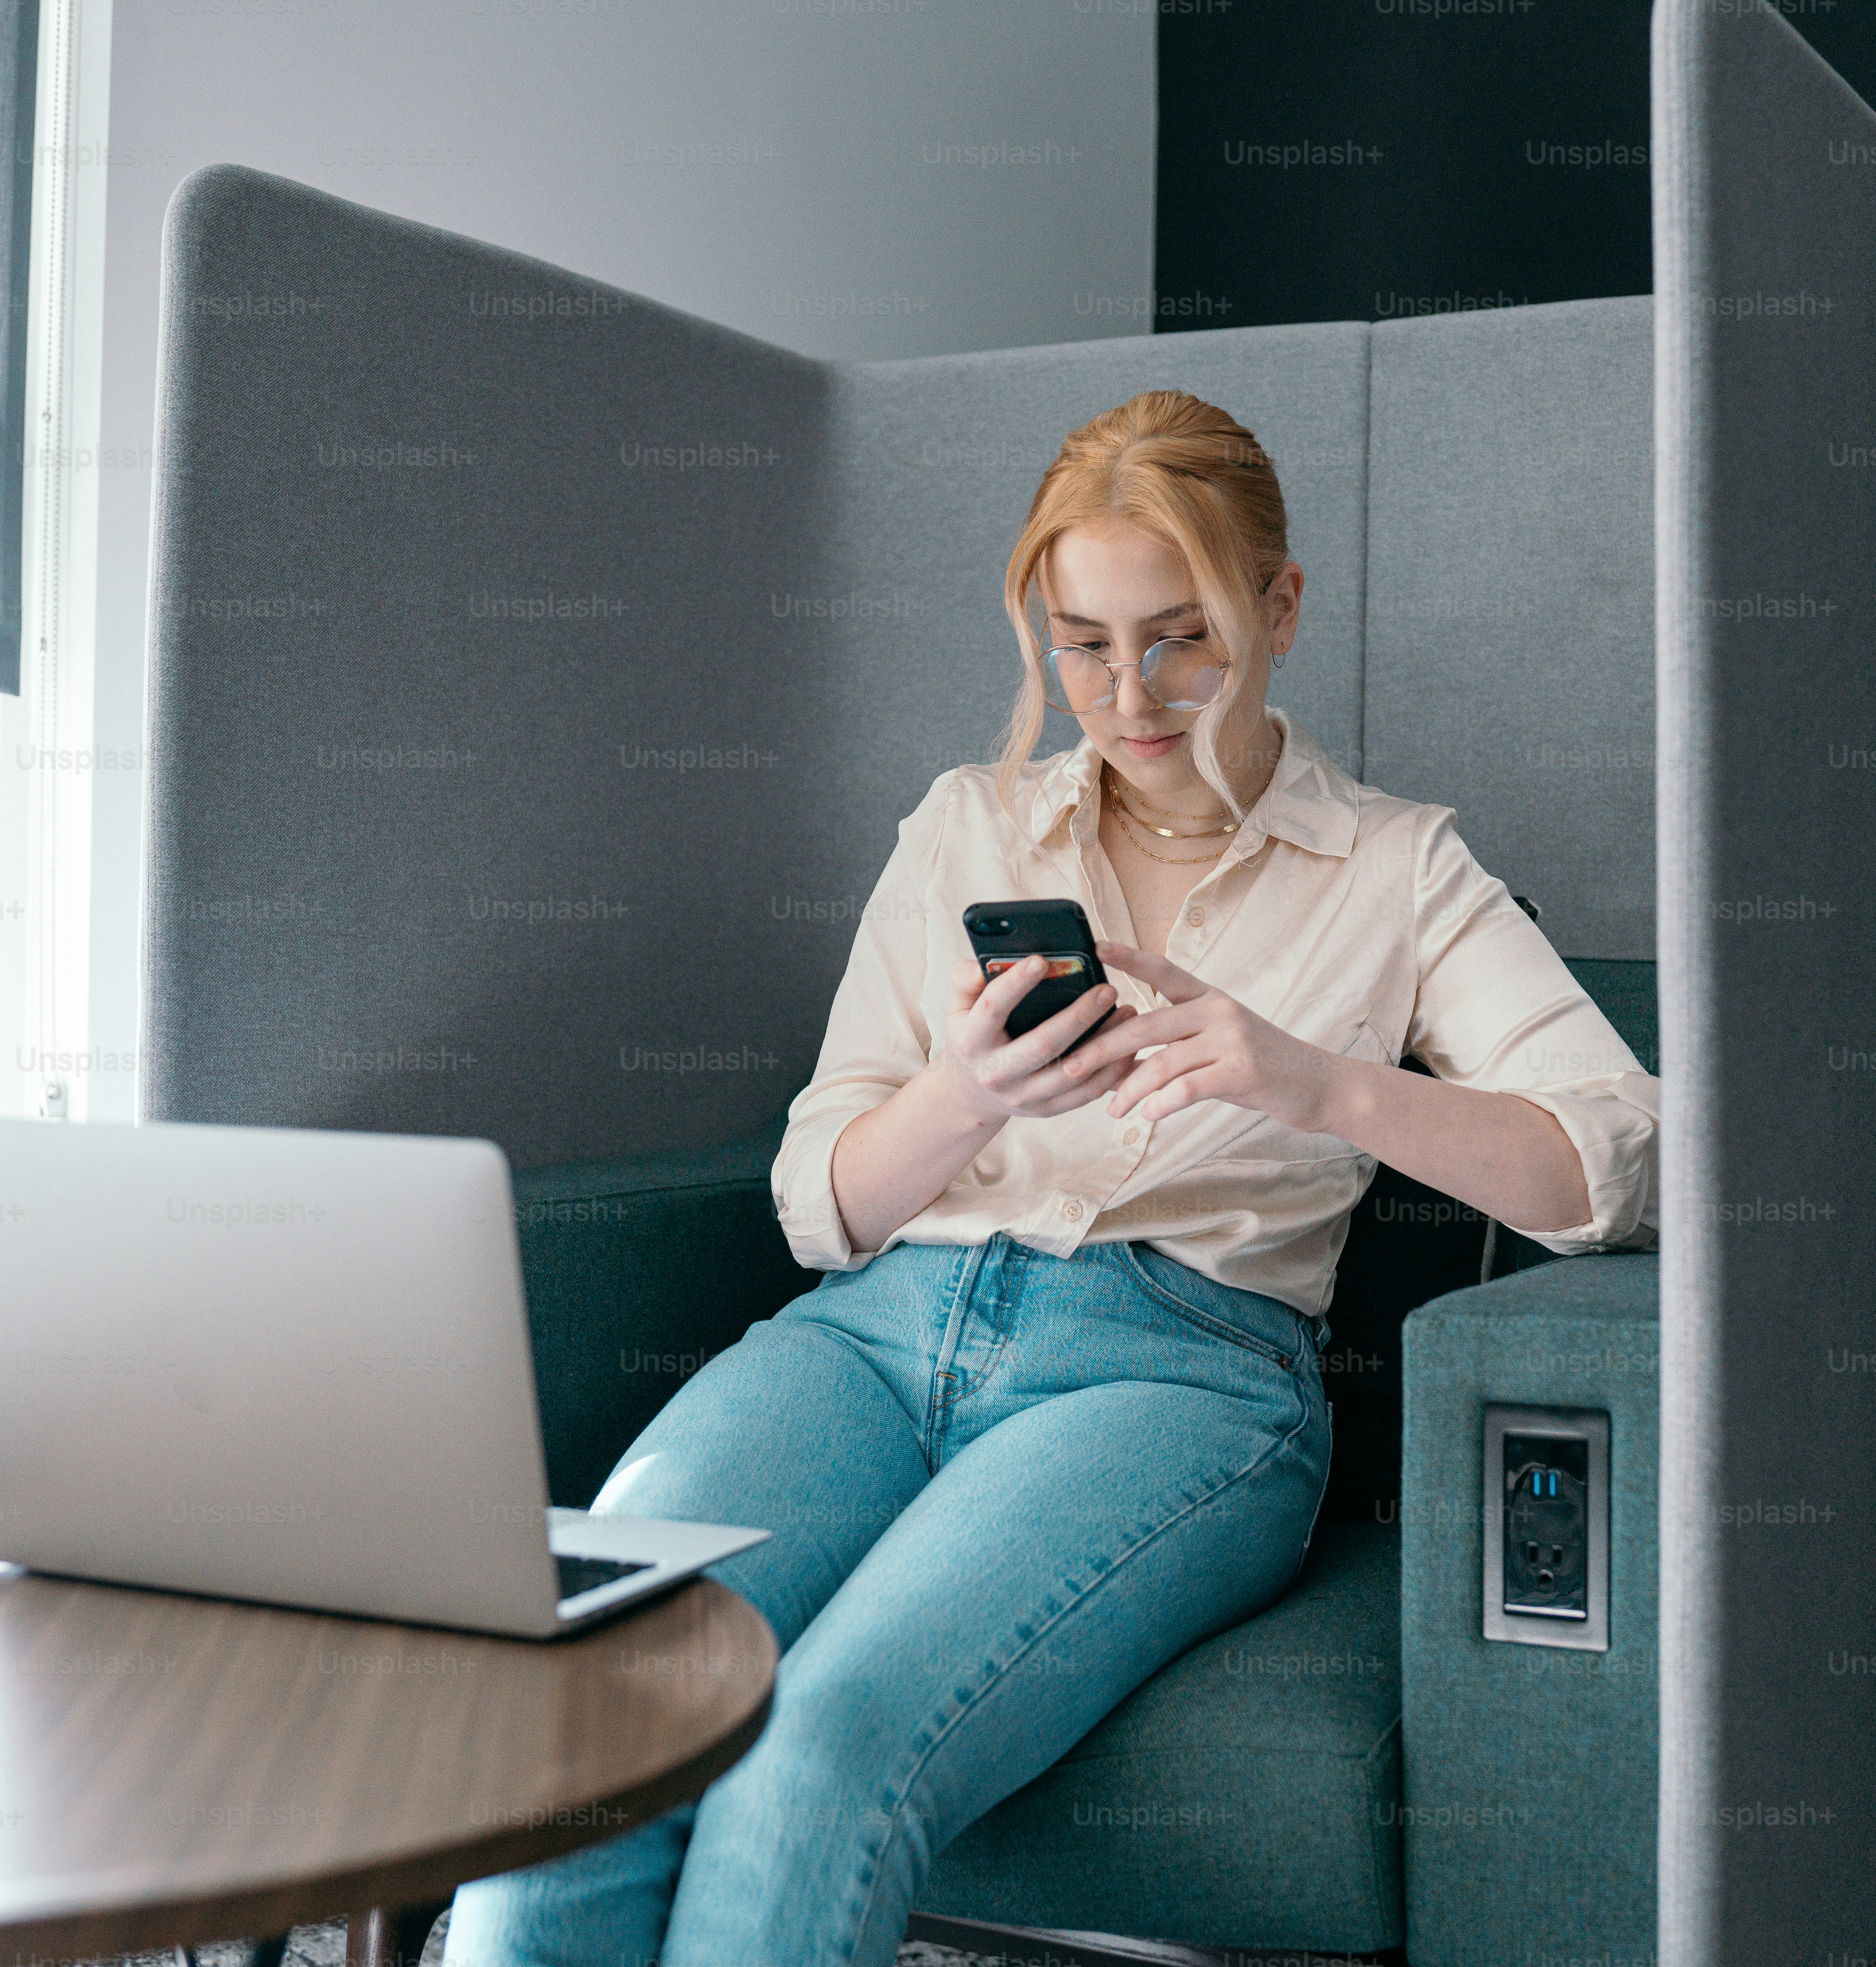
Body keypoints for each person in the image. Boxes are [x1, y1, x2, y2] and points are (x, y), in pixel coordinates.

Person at [444, 389, 1660, 1967]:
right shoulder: (969, 826)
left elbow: (1621, 1160)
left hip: (1176, 1377)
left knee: (819, 1747)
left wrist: (1319, 1084)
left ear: (1280, 609)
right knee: (588, 1675)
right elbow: (820, 1202)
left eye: (1182, 638)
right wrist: (965, 1095)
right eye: (1082, 645)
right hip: (871, 1337)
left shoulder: (1401, 869)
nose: (1129, 697)